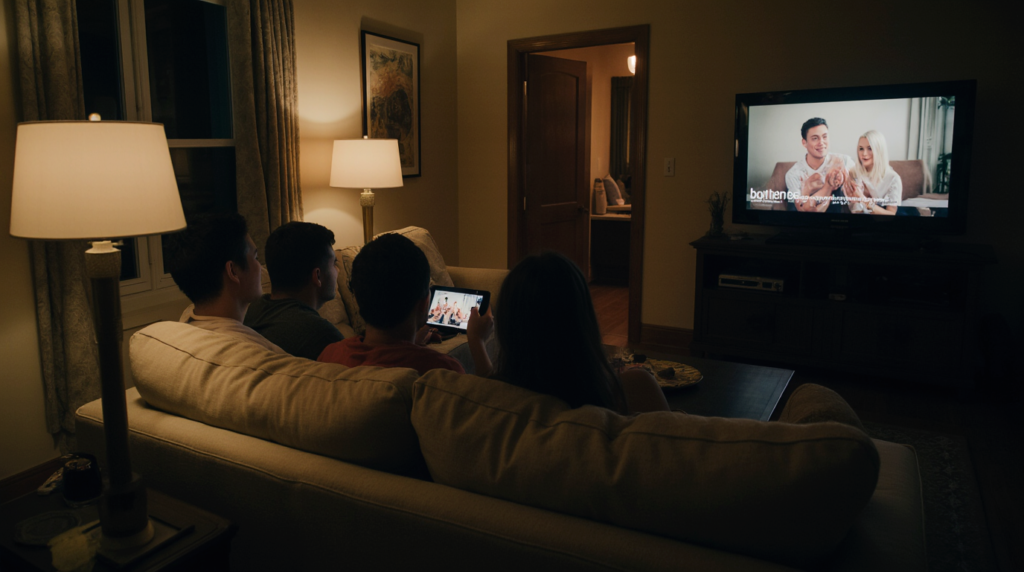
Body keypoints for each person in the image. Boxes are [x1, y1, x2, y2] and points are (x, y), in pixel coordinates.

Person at [474, 251, 669, 414]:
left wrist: (476, 341)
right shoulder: (631, 389)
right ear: (583, 318)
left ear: (508, 327)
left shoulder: (501, 399)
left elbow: (491, 384)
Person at [318, 233, 492, 376]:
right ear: (425, 304)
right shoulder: (442, 371)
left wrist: (412, 341)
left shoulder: (330, 356)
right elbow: (488, 404)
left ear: (356, 297)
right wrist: (477, 342)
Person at [164, 213, 284, 354]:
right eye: (256, 257)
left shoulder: (185, 321)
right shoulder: (259, 352)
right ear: (233, 271)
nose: (261, 268)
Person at [243, 221, 346, 359]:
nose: (338, 270)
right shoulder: (323, 337)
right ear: (317, 276)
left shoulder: (253, 310)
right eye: (334, 264)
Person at [785, 118, 856, 213]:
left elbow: (859, 200)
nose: (821, 142)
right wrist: (807, 190)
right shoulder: (794, 174)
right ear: (804, 143)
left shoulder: (844, 161)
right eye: (815, 138)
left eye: (825, 137)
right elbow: (802, 210)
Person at [842, 130, 901, 215]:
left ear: (879, 150)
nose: (864, 154)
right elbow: (855, 210)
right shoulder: (853, 172)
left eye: (870, 148)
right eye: (861, 149)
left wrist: (863, 200)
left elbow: (891, 214)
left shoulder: (893, 178)